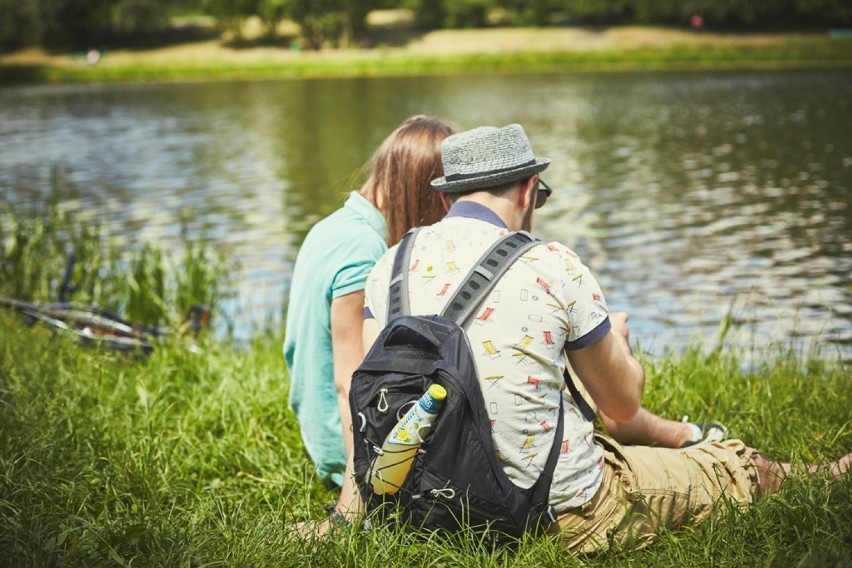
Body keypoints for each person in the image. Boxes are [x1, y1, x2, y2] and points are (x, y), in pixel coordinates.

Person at [329, 123, 851, 550]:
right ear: (529, 190)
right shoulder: (551, 264)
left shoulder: (389, 265)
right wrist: (619, 345)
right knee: (726, 469)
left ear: (448, 201)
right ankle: (822, 476)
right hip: (554, 512)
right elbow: (622, 405)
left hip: (423, 511)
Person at [283, 115, 454, 487]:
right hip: (342, 447)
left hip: (319, 430)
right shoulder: (365, 250)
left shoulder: (333, 225)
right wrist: (358, 490)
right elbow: (350, 380)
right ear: (423, 189)